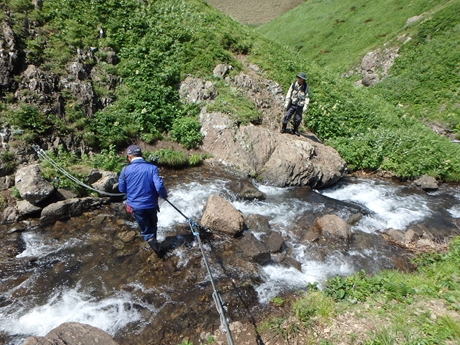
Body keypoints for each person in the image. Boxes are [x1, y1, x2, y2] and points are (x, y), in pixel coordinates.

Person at [118, 145, 168, 253]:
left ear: (129, 157)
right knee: (153, 224)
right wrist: (164, 196)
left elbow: (121, 189)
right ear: (141, 155)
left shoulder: (125, 170)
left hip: (136, 206)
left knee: (146, 229)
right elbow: (159, 186)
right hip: (151, 204)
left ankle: (156, 249)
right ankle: (155, 242)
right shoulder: (152, 168)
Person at [281, 72, 310, 136]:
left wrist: (305, 106)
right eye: (298, 78)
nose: (299, 79)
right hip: (292, 103)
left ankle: (295, 130)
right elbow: (289, 93)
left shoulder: (306, 87)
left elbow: (307, 97)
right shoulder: (293, 84)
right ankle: (283, 128)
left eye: (300, 78)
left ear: (303, 79)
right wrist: (286, 103)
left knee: (298, 118)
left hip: (300, 105)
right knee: (287, 115)